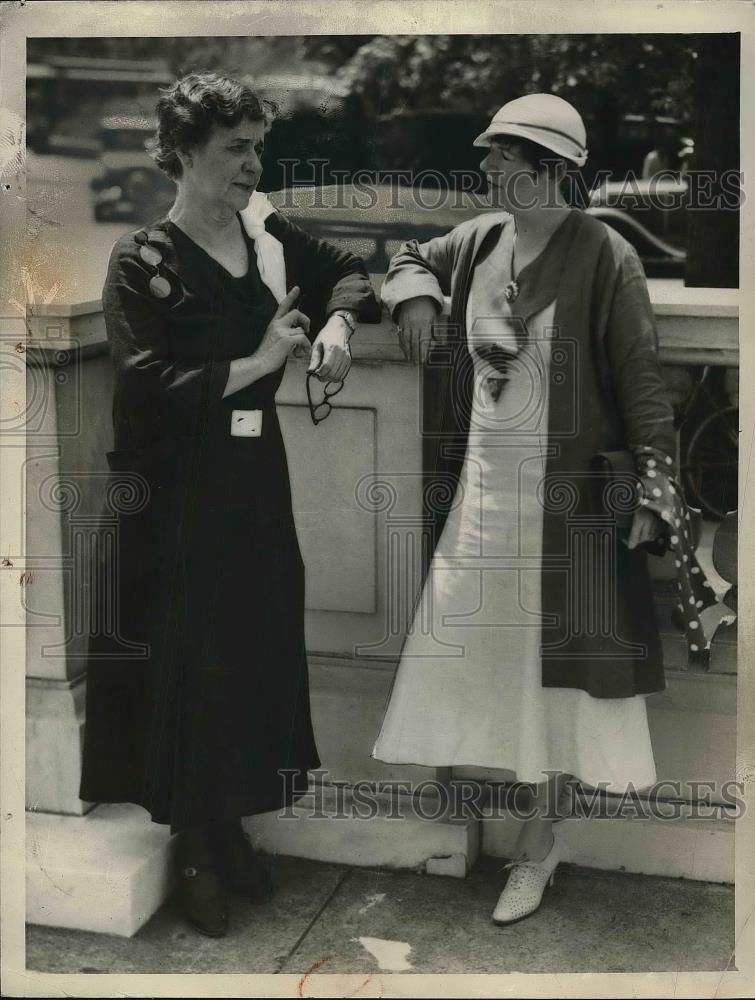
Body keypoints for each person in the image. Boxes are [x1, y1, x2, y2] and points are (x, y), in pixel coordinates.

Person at [372, 93, 717, 925]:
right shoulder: (483, 239)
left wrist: (650, 490)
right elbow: (410, 255)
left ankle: (538, 846)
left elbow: (640, 385)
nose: (485, 168)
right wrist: (415, 293)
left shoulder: (603, 254)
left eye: (500, 158)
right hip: (482, 499)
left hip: (569, 505)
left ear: (546, 170)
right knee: (485, 663)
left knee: (559, 685)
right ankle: (490, 826)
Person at [79, 72, 380, 938]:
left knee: (250, 652)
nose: (252, 164)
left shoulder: (263, 227)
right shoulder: (141, 259)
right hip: (176, 494)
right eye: (234, 149)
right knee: (192, 659)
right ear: (181, 153)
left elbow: (344, 270)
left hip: (255, 480)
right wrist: (254, 361)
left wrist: (333, 326)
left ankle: (234, 823)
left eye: (258, 147)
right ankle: (202, 846)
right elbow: (141, 391)